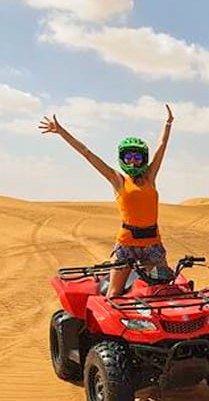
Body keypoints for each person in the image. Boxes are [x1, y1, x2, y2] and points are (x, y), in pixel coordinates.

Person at [39, 105, 174, 296]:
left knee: (163, 291)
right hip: (127, 246)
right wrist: (61, 132)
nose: (133, 161)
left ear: (143, 158)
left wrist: (168, 123)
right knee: (114, 294)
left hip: (153, 245)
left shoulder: (150, 177)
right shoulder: (117, 179)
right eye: (128, 156)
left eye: (137, 156)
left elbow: (162, 146)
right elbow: (87, 153)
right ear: (123, 158)